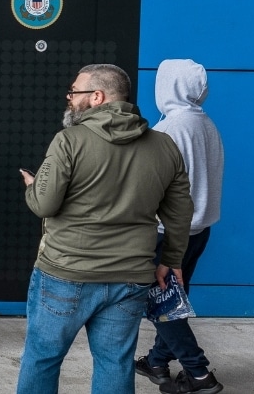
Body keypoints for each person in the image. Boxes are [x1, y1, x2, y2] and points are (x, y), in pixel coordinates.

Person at [16, 64, 192, 394]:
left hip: (66, 272)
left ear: (97, 97)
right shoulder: (164, 145)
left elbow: (44, 205)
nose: (69, 99)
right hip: (131, 276)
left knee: (43, 358)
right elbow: (181, 213)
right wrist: (172, 259)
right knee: (114, 362)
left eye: (75, 92)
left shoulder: (69, 140)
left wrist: (33, 184)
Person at [134, 60, 225, 394]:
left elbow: (148, 187)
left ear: (168, 86)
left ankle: (199, 374)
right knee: (173, 299)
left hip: (167, 233)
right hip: (200, 228)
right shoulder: (207, 124)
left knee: (162, 303)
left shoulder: (168, 130)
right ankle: (157, 361)